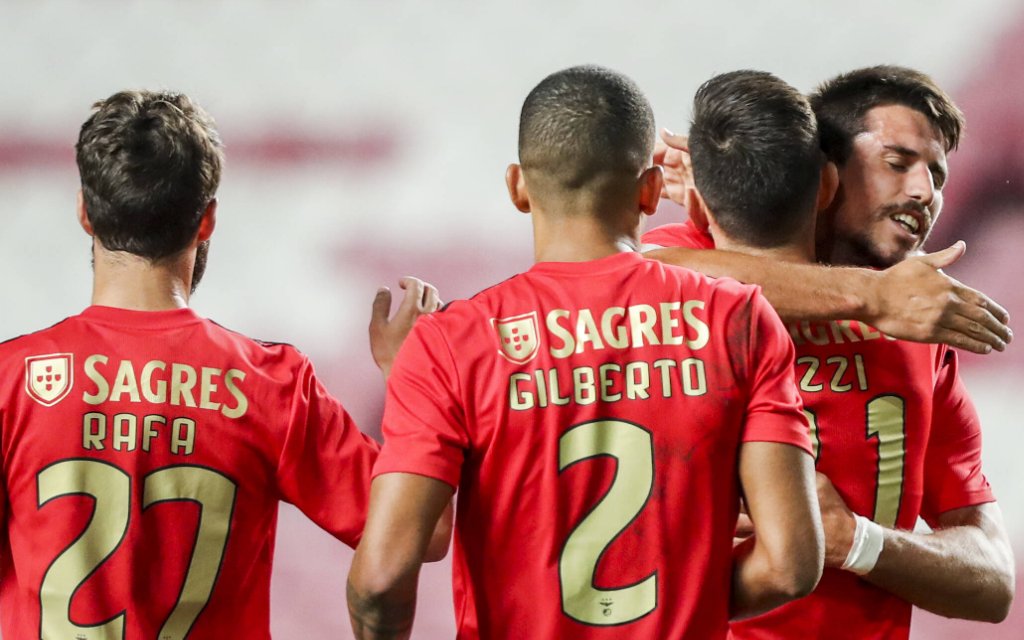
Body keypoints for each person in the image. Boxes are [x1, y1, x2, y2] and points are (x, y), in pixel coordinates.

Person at [347, 65, 824, 640]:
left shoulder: (452, 343)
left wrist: (410, 374)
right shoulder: (738, 318)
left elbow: (380, 580)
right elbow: (792, 563)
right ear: (650, 191)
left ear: (518, 187)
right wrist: (676, 593)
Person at [0, 90, 442, 639]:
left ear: (85, 213)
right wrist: (411, 380)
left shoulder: (12, 381)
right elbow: (425, 532)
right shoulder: (271, 384)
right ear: (207, 220)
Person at [644, 67, 1014, 639]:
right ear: (824, 174)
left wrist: (857, 542)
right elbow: (632, 278)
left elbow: (992, 580)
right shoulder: (693, 256)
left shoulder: (919, 334)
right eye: (898, 162)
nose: (924, 192)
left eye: (937, 175)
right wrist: (871, 296)